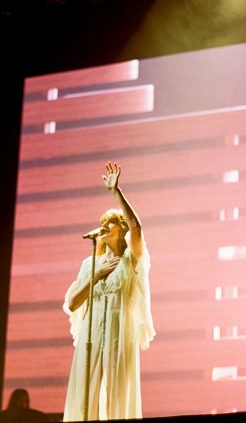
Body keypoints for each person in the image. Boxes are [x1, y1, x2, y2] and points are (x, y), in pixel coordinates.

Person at [62, 162, 155, 421]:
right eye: (102, 223)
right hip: (91, 332)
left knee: (117, 394)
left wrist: (116, 192)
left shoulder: (130, 260)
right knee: (86, 394)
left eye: (109, 224)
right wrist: (96, 275)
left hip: (118, 329)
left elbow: (137, 228)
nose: (103, 227)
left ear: (121, 230)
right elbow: (72, 303)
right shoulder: (90, 264)